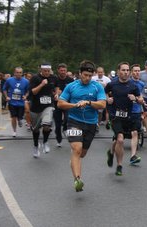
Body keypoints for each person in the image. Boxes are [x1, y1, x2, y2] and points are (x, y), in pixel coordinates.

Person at [58, 60, 106, 192]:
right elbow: (60, 104)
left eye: (90, 76)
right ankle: (77, 179)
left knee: (82, 154)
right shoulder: (71, 86)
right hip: (74, 121)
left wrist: (89, 102)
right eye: (85, 75)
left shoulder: (97, 87)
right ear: (79, 73)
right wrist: (74, 105)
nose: (87, 78)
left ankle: (74, 160)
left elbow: (102, 104)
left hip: (91, 124)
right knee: (77, 149)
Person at [106, 62, 144, 176]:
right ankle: (119, 165)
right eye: (123, 70)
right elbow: (103, 94)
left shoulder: (133, 86)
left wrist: (136, 99)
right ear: (118, 71)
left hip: (128, 116)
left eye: (127, 70)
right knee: (121, 139)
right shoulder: (112, 84)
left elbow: (141, 99)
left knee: (120, 139)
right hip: (115, 116)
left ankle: (111, 152)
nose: (126, 72)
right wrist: (108, 99)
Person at [28, 63, 59, 157]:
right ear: (40, 70)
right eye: (45, 71)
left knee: (47, 124)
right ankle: (36, 146)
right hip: (36, 108)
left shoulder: (54, 78)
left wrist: (57, 93)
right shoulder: (35, 78)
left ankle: (45, 142)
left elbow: (57, 87)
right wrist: (41, 84)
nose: (47, 73)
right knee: (36, 130)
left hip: (48, 105)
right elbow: (33, 91)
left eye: (48, 71)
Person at [3, 67, 29, 137]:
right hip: (12, 102)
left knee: (20, 117)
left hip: (21, 103)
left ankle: (20, 119)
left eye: (20, 72)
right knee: (13, 116)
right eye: (17, 72)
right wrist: (6, 97)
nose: (18, 74)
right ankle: (14, 131)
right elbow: (4, 89)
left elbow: (28, 91)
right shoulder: (9, 80)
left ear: (22, 73)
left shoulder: (26, 81)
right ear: (14, 73)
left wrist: (26, 96)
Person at [53, 63, 74, 147]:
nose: (63, 72)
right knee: (57, 124)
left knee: (68, 118)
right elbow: (51, 90)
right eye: (61, 70)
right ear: (58, 71)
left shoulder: (70, 80)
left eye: (64, 70)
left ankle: (65, 128)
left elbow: (73, 91)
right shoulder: (55, 79)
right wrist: (55, 94)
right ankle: (59, 139)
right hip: (57, 104)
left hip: (67, 103)